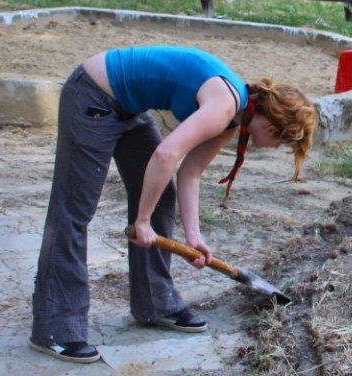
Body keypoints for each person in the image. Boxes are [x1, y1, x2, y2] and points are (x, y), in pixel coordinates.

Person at [29, 46, 317, 364]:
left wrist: (194, 237)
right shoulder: (225, 107)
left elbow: (190, 174)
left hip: (130, 107)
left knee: (161, 194)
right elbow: (167, 154)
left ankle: (155, 303)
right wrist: (142, 221)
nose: (275, 148)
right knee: (74, 208)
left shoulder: (234, 118)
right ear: (273, 129)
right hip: (94, 94)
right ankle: (55, 329)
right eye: (282, 144)